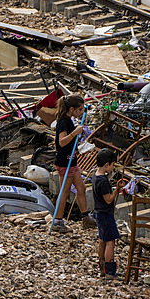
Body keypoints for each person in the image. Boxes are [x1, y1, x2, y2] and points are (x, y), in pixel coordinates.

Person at [52, 94, 96, 233]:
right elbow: (61, 141)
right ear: (72, 109)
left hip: (71, 160)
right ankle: (58, 221)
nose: (81, 112)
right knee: (64, 192)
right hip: (65, 161)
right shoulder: (64, 122)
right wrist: (74, 133)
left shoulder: (68, 120)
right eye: (80, 110)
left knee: (81, 188)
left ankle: (85, 217)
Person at [92, 148, 126, 280]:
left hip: (98, 213)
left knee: (102, 240)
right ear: (107, 164)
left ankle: (101, 267)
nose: (112, 168)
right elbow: (108, 199)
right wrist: (117, 190)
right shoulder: (103, 181)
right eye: (112, 165)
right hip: (106, 214)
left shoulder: (95, 176)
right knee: (110, 242)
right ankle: (110, 271)